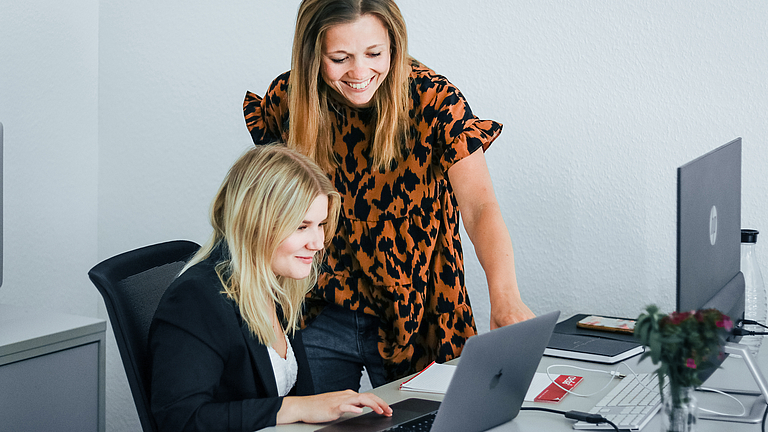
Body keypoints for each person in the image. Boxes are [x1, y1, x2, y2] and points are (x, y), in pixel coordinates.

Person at [243, 0, 536, 392]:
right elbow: (270, 213)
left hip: (421, 314)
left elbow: (480, 207)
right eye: (340, 57)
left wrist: (505, 296)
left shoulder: (433, 100)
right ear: (312, 53)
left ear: (394, 46)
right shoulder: (288, 101)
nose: (360, 72)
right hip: (319, 311)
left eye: (374, 54)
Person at [148, 145, 392, 432]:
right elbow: (180, 419)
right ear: (256, 224)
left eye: (321, 225)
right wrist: (297, 407)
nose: (318, 243)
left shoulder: (277, 284)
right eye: (302, 227)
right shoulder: (195, 299)